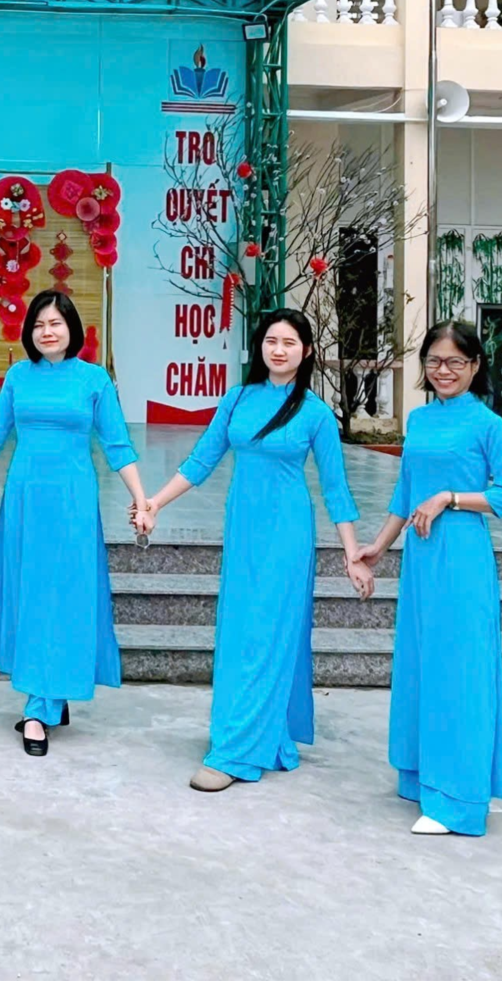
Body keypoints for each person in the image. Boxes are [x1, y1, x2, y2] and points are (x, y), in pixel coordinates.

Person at [140, 307, 373, 793]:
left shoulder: (314, 413)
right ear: (259, 347)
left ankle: (237, 752)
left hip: (287, 535)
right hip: (243, 529)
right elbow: (201, 461)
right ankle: (257, 732)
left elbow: (336, 489)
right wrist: (155, 503)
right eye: (271, 341)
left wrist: (351, 553)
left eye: (289, 342)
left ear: (306, 351)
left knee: (267, 634)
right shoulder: (238, 399)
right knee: (239, 633)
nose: (279, 350)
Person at [0, 291, 152, 756]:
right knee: (33, 593)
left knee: (65, 595)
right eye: (38, 325)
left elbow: (118, 444)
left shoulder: (94, 379)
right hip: (25, 499)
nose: (47, 331)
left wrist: (142, 500)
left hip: (73, 500)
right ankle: (46, 698)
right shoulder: (19, 376)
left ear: (72, 328)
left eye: (55, 323)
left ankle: (40, 706)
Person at [354, 320, 502, 836]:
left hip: (463, 556)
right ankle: (422, 777)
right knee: (421, 664)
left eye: (455, 362)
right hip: (421, 559)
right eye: (434, 361)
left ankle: (459, 800)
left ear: (475, 365)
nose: (443, 370)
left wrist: (451, 498)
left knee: (460, 670)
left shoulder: (488, 424)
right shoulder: (420, 420)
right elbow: (406, 492)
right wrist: (378, 547)